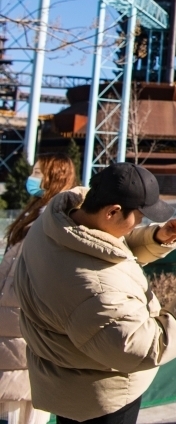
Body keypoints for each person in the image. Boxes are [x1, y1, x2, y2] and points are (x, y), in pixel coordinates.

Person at [14, 163, 176, 424]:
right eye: (140, 216)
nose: (143, 221)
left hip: (68, 385)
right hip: (101, 399)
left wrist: (156, 237)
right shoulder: (96, 290)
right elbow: (147, 347)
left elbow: (107, 250)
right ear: (112, 211)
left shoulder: (57, 223)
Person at [0, 154, 76, 424]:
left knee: (23, 411)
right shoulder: (36, 216)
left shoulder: (56, 222)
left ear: (53, 177)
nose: (31, 178)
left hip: (25, 335)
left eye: (37, 172)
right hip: (11, 333)